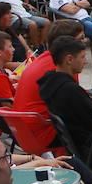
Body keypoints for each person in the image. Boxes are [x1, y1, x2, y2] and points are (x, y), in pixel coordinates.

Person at [11, 20, 86, 154]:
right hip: (42, 132)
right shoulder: (62, 68)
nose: (84, 42)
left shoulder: (44, 59)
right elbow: (75, 108)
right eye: (80, 39)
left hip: (24, 131)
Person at [37, 37, 92, 168]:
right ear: (69, 59)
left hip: (77, 146)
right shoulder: (70, 90)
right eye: (82, 57)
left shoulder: (49, 83)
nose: (85, 61)